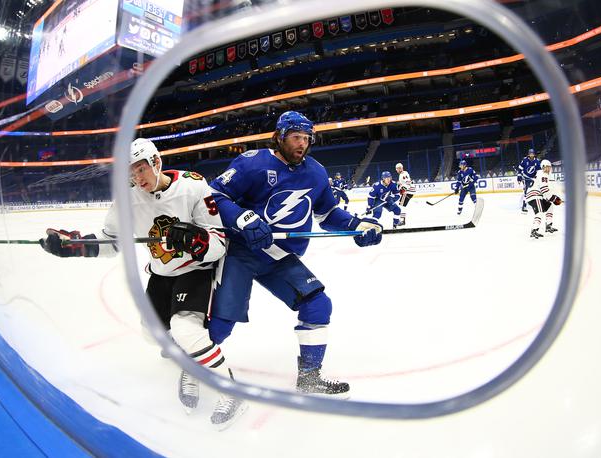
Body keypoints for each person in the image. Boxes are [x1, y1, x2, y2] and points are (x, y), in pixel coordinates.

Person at [39, 138, 246, 428]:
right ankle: (193, 362)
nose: (137, 178)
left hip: (194, 269)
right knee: (152, 334)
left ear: (156, 162)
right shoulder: (127, 200)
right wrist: (77, 246)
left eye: (140, 169)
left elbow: (220, 242)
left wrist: (196, 239)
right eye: (131, 173)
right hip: (161, 272)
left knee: (186, 330)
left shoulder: (193, 185)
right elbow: (112, 241)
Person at [208, 111, 382, 397]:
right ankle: (190, 363)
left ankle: (309, 377)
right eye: (295, 137)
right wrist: (242, 219)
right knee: (221, 326)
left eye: (306, 138)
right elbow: (215, 196)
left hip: (278, 256)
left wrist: (355, 225)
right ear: (279, 137)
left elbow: (327, 214)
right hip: (241, 252)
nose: (301, 144)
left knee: (318, 305)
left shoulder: (315, 172)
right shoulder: (252, 164)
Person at [526, 159, 562, 239]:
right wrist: (555, 199)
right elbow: (545, 190)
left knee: (550, 206)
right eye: (546, 167)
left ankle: (548, 225)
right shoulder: (543, 174)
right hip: (535, 195)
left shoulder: (543, 175)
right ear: (542, 167)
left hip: (537, 195)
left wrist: (554, 199)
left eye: (549, 167)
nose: (548, 169)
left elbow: (547, 191)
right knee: (539, 212)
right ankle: (534, 230)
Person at [517, 148, 540, 213]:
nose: (531, 155)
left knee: (536, 191)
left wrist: (536, 177)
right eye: (530, 154)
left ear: (534, 154)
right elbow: (520, 169)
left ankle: (536, 203)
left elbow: (539, 171)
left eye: (532, 153)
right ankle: (524, 206)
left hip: (533, 179)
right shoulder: (524, 160)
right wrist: (519, 177)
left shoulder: (537, 161)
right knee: (526, 192)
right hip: (526, 178)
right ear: (528, 154)